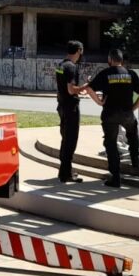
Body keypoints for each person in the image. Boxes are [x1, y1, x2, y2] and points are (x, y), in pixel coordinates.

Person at [85, 49, 139, 188]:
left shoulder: (105, 73)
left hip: (110, 114)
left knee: (111, 143)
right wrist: (133, 108)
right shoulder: (130, 74)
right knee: (132, 135)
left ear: (110, 60)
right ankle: (135, 161)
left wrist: (99, 102)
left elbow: (89, 89)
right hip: (127, 114)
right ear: (122, 60)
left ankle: (116, 177)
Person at [54, 40, 86, 183]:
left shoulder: (61, 65)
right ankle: (66, 174)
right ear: (79, 50)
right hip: (71, 107)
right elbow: (71, 89)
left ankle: (64, 171)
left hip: (62, 106)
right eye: (82, 51)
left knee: (65, 139)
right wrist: (85, 87)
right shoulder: (72, 67)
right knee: (70, 141)